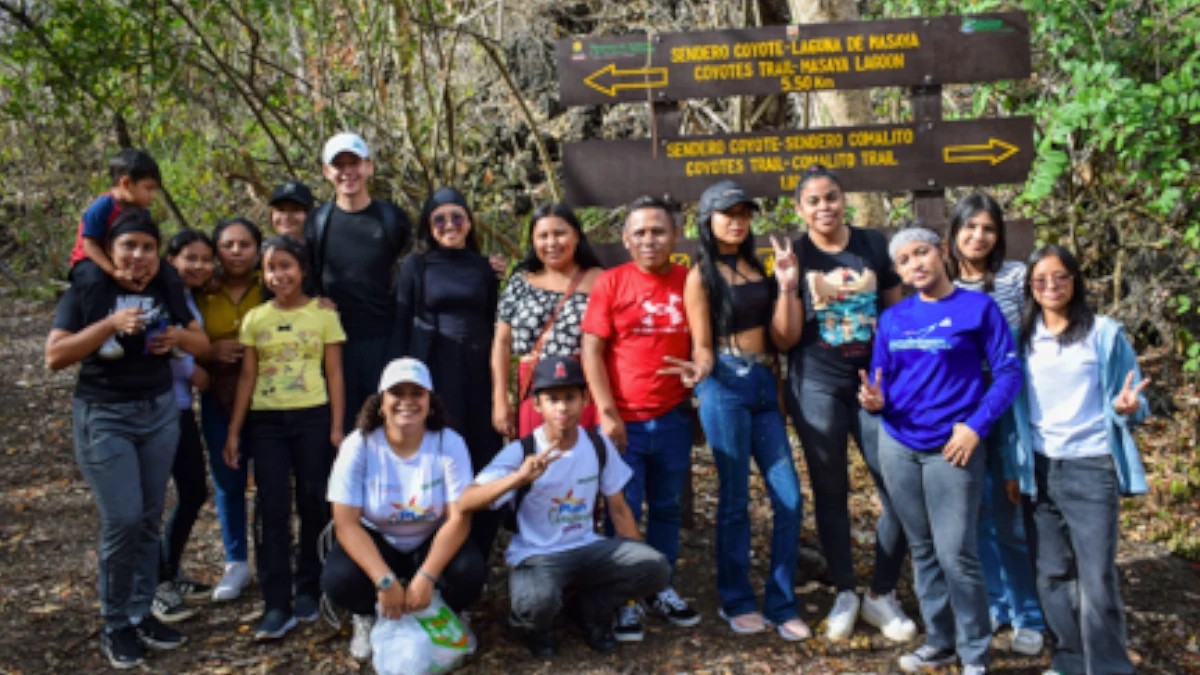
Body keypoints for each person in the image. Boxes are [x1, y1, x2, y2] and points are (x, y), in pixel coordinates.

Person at [45, 208, 209, 669]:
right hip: (104, 415)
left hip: (158, 411)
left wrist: (174, 335)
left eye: (148, 247)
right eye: (129, 247)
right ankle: (114, 621)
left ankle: (140, 612)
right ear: (112, 251)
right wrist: (109, 327)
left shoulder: (167, 285)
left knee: (149, 517)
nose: (139, 256)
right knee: (123, 519)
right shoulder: (91, 286)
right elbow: (55, 355)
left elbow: (201, 345)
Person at [861, 222, 1021, 675]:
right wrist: (875, 401)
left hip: (954, 447)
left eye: (921, 253)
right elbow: (880, 380)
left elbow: (1008, 374)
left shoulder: (978, 308)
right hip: (899, 445)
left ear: (941, 252)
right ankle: (940, 641)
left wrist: (975, 427)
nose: (916, 264)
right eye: (905, 260)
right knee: (924, 549)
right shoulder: (894, 318)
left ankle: (975, 654)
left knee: (957, 554)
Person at [459, 356, 670, 658]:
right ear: (536, 405)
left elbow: (619, 509)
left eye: (570, 397)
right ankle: (537, 626)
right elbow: (467, 500)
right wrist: (517, 478)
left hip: (586, 547)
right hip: (538, 554)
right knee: (535, 602)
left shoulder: (598, 445)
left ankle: (590, 611)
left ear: (585, 399)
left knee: (656, 568)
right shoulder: (522, 450)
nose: (562, 408)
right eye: (552, 399)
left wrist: (634, 565)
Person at [784, 164, 915, 642]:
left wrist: (894, 378)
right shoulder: (794, 255)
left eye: (832, 197)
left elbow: (897, 314)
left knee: (898, 484)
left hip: (875, 384)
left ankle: (882, 591)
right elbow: (785, 334)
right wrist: (784, 285)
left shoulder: (874, 245)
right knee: (830, 488)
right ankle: (844, 589)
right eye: (814, 201)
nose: (825, 207)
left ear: (845, 200)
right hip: (816, 381)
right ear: (800, 209)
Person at [1008, 245, 1149, 675]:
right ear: (1030, 286)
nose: (1051, 286)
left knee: (1097, 577)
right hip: (1040, 467)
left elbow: (1134, 399)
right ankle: (1069, 658)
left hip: (1092, 467)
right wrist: (1014, 470)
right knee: (1051, 572)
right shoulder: (1022, 337)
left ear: (1075, 280)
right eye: (1040, 279)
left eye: (1060, 277)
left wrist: (1128, 408)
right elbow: (1013, 411)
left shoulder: (1104, 333)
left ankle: (1108, 665)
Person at [682, 181, 809, 640]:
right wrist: (697, 374)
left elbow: (781, 338)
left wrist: (789, 285)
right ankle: (735, 599)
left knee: (789, 499)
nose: (737, 221)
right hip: (724, 384)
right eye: (727, 213)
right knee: (734, 497)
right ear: (707, 220)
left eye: (743, 213)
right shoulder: (701, 275)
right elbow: (701, 345)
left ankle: (781, 601)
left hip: (763, 382)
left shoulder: (759, 267)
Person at [580, 195, 701, 642]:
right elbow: (591, 352)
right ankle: (626, 596)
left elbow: (702, 342)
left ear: (673, 237)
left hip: (671, 416)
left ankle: (660, 584)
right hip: (623, 420)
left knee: (667, 507)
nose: (649, 239)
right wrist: (607, 413)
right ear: (627, 240)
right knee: (622, 509)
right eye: (640, 232)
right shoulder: (611, 283)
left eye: (658, 231)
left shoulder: (687, 282)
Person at [321, 358, 486, 661]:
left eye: (417, 393)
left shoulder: (449, 443)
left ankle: (448, 611)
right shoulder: (359, 444)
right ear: (381, 402)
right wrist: (383, 579)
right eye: (397, 393)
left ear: (430, 402)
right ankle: (367, 614)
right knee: (339, 579)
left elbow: (458, 517)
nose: (407, 402)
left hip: (430, 537)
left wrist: (427, 575)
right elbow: (346, 524)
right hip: (379, 539)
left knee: (470, 570)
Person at [222, 235, 346, 640]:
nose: (280, 275)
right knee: (271, 510)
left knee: (313, 503)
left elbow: (334, 374)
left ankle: (309, 587)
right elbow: (247, 376)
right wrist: (236, 431)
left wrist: (337, 426)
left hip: (313, 417)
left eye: (287, 266)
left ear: (303, 270)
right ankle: (277, 603)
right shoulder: (256, 319)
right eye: (272, 267)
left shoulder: (323, 315)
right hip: (267, 422)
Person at [947, 192, 1046, 655]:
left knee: (1010, 514)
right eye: (969, 227)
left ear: (999, 235)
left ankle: (1029, 613)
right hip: (962, 410)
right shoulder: (943, 285)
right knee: (977, 513)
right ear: (954, 234)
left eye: (987, 229)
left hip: (1009, 406)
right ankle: (996, 602)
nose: (978, 236)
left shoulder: (1016, 278)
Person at [394, 187, 503, 562]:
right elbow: (402, 322)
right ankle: (439, 542)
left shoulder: (483, 267)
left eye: (457, 217)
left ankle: (481, 543)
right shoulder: (417, 266)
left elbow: (493, 320)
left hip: (479, 365)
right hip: (436, 366)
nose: (449, 225)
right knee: (442, 449)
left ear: (469, 222)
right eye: (439, 219)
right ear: (428, 225)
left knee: (483, 449)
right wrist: (401, 387)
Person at [305, 132, 411, 436]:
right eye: (339, 165)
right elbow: (306, 276)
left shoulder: (392, 218)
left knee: (388, 425)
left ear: (369, 167)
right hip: (336, 344)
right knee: (344, 431)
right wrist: (316, 300)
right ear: (327, 172)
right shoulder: (318, 222)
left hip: (384, 338)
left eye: (355, 163)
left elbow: (417, 267)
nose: (347, 172)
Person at [194, 216, 264, 602]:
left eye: (245, 244)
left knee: (272, 479)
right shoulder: (202, 291)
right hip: (219, 392)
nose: (236, 252)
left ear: (258, 249)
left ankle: (275, 554)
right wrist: (208, 352)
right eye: (228, 245)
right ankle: (236, 561)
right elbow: (180, 333)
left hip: (270, 393)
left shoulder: (272, 283)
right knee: (228, 474)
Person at [491, 202, 604, 439]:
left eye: (560, 233)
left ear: (576, 236)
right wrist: (500, 399)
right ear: (533, 241)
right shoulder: (521, 282)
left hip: (585, 391)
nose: (551, 243)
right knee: (538, 466)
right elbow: (501, 343)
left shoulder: (600, 280)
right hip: (534, 392)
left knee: (583, 467)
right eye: (543, 236)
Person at [153, 230, 217, 624]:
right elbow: (164, 341)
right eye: (190, 258)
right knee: (153, 500)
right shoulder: (161, 292)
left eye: (206, 259)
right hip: (157, 407)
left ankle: (167, 567)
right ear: (171, 258)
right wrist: (195, 370)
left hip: (179, 408)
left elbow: (194, 341)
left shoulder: (189, 296)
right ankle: (156, 582)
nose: (199, 266)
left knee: (193, 489)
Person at [66, 148, 164, 359]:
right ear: (126, 183)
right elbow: (89, 243)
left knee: (167, 275)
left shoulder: (141, 211)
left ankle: (167, 329)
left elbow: (153, 243)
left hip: (125, 259)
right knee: (94, 280)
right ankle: (101, 335)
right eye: (148, 189)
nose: (152, 196)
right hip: (91, 259)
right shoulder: (101, 207)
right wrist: (113, 271)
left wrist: (153, 267)